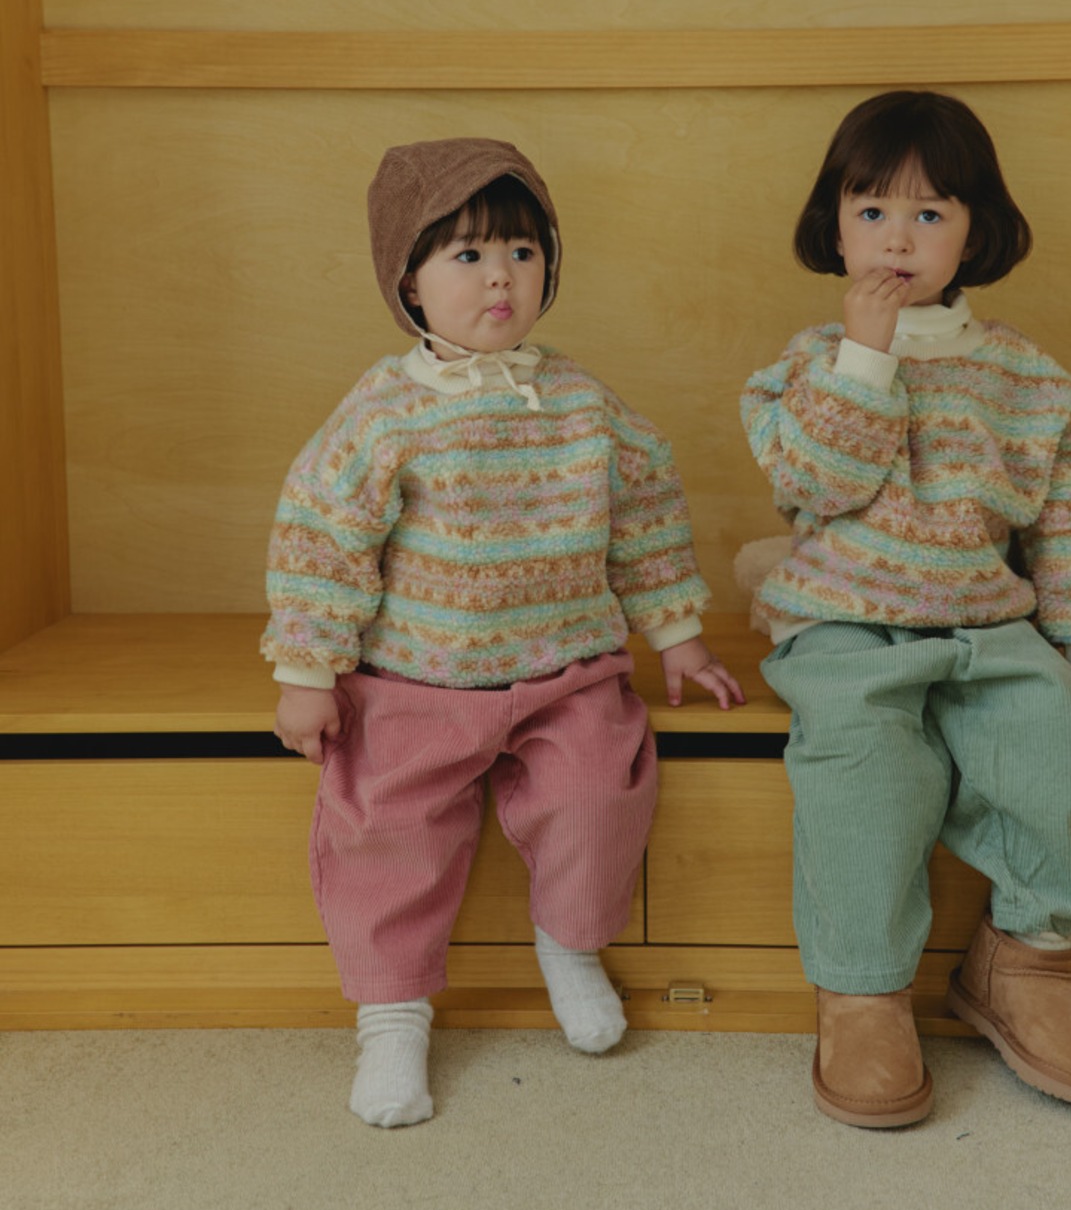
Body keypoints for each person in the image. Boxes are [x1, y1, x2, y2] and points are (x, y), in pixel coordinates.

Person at [264, 137, 743, 1127]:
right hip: (414, 680)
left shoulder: (583, 404)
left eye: (523, 254)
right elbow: (323, 536)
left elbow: (645, 514)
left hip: (565, 673)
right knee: (384, 830)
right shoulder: (384, 412)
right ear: (409, 282)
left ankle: (569, 945)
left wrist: (677, 635)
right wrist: (308, 670)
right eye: (469, 255)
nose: (500, 278)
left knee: (597, 795)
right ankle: (392, 1014)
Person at [740, 91, 1071, 1128]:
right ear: (835, 227)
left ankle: (1026, 960)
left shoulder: (1032, 380)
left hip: (985, 619)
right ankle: (861, 989)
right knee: (866, 774)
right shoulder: (804, 364)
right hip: (843, 619)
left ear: (975, 232)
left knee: (1063, 741)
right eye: (871, 212)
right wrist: (865, 355)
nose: (897, 239)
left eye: (928, 214)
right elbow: (816, 485)